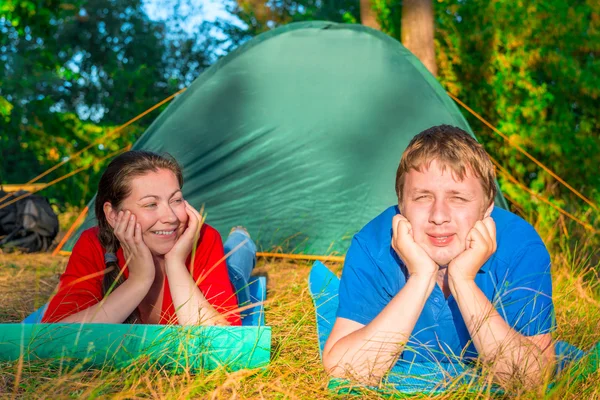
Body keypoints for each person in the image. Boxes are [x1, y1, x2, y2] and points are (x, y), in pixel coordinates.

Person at [322, 125, 555, 388]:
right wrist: (420, 277)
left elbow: (532, 381)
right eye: (422, 197)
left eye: (458, 198)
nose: (439, 216)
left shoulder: (520, 248)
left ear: (487, 207)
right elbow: (343, 371)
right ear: (401, 203)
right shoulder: (372, 246)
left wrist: (463, 281)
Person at [42, 150, 256, 326]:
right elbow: (54, 336)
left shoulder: (203, 237)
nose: (171, 217)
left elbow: (223, 343)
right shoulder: (94, 244)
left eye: (176, 200)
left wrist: (175, 264)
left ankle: (241, 237)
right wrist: (139, 280)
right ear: (113, 215)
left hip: (230, 280)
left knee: (236, 266)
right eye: (151, 204)